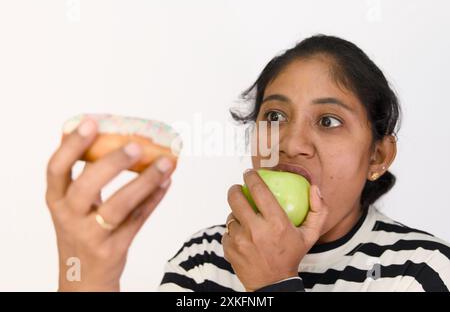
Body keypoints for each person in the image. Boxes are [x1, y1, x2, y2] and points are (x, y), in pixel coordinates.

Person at [46, 35, 450, 292]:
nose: (291, 143)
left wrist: (275, 283)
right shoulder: (202, 261)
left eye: (328, 121)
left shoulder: (423, 271)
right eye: (274, 116)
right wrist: (90, 275)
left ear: (377, 156)